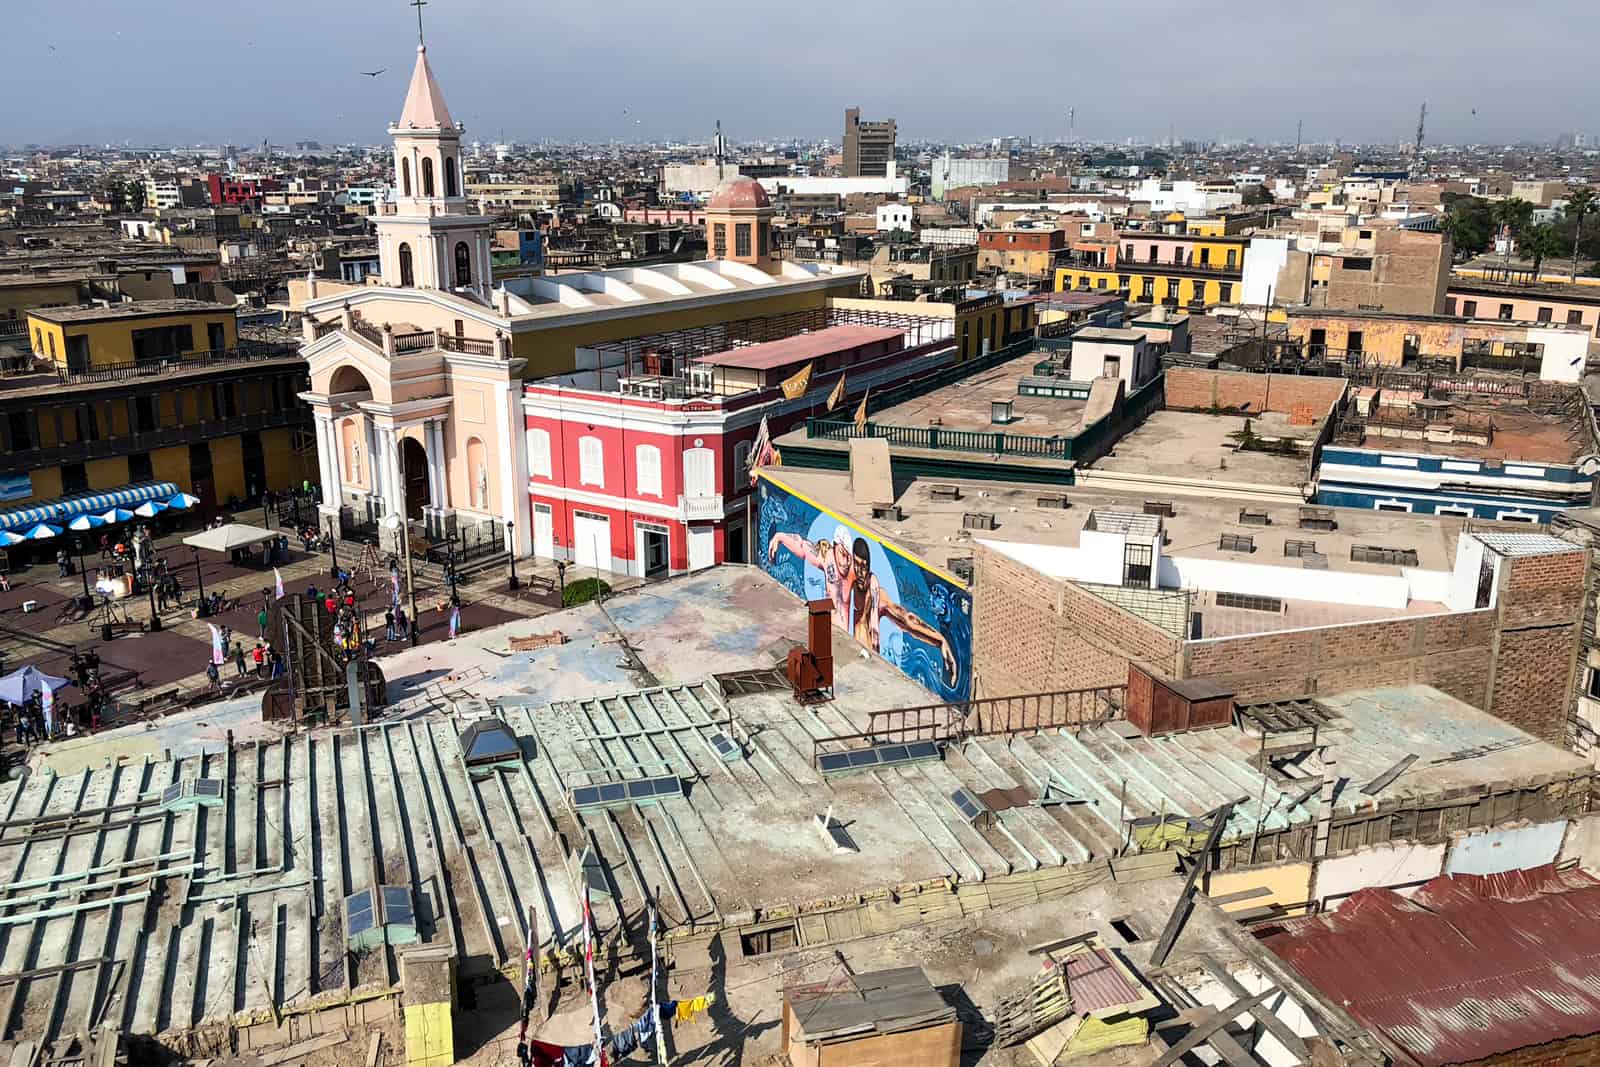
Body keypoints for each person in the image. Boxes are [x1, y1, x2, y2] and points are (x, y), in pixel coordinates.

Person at [845, 536, 959, 686]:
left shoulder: (877, 596)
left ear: (869, 566)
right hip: (852, 661)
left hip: (870, 669)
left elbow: (907, 621)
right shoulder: (848, 582)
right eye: (857, 564)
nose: (860, 571)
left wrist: (940, 640)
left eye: (864, 566)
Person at [768, 525, 859, 631]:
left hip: (844, 637)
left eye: (849, 557)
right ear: (834, 547)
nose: (846, 562)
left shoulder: (854, 569)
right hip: (828, 630)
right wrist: (780, 537)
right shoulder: (828, 557)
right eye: (843, 554)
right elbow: (803, 547)